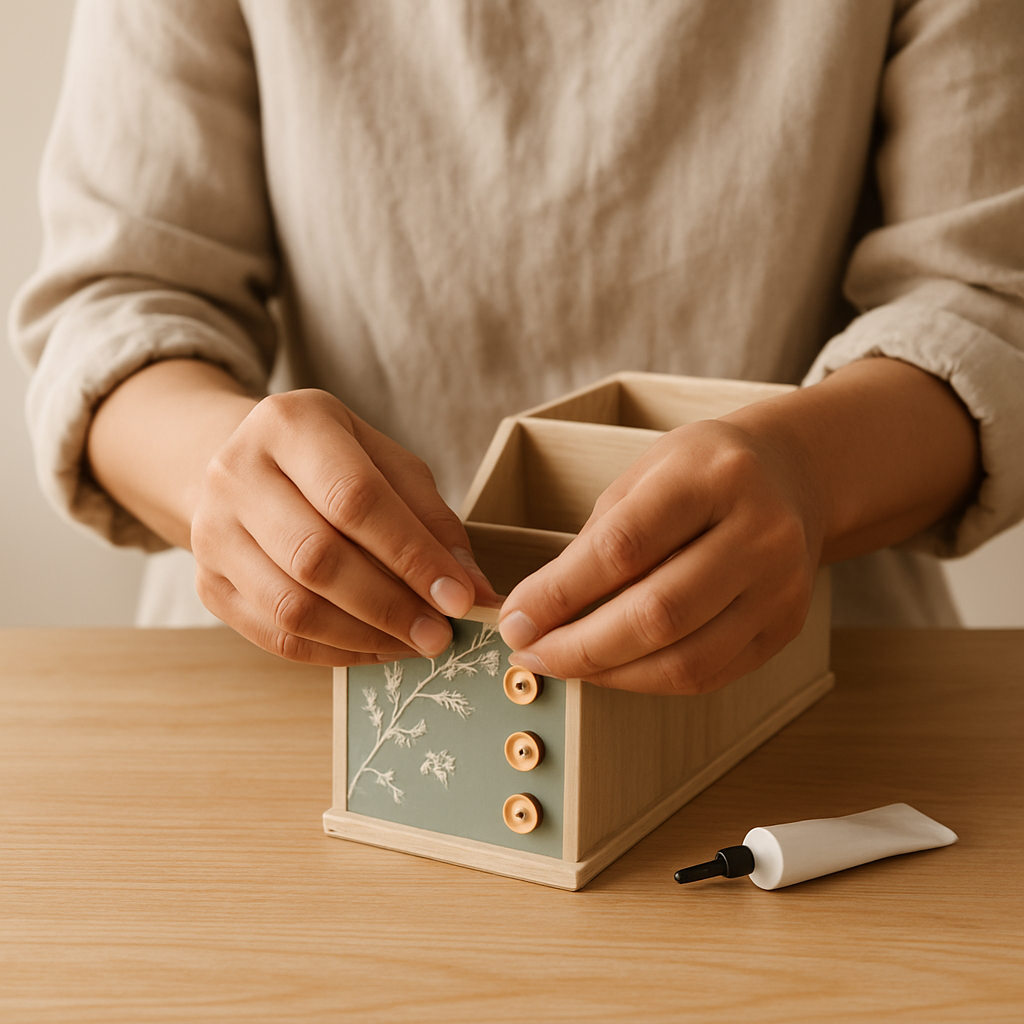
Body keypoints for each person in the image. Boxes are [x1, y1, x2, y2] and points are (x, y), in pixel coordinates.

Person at [10, 0, 1024, 695]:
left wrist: (808, 476)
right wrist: (216, 475)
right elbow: (120, 302)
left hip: (808, 681)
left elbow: (986, 305)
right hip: (286, 692)